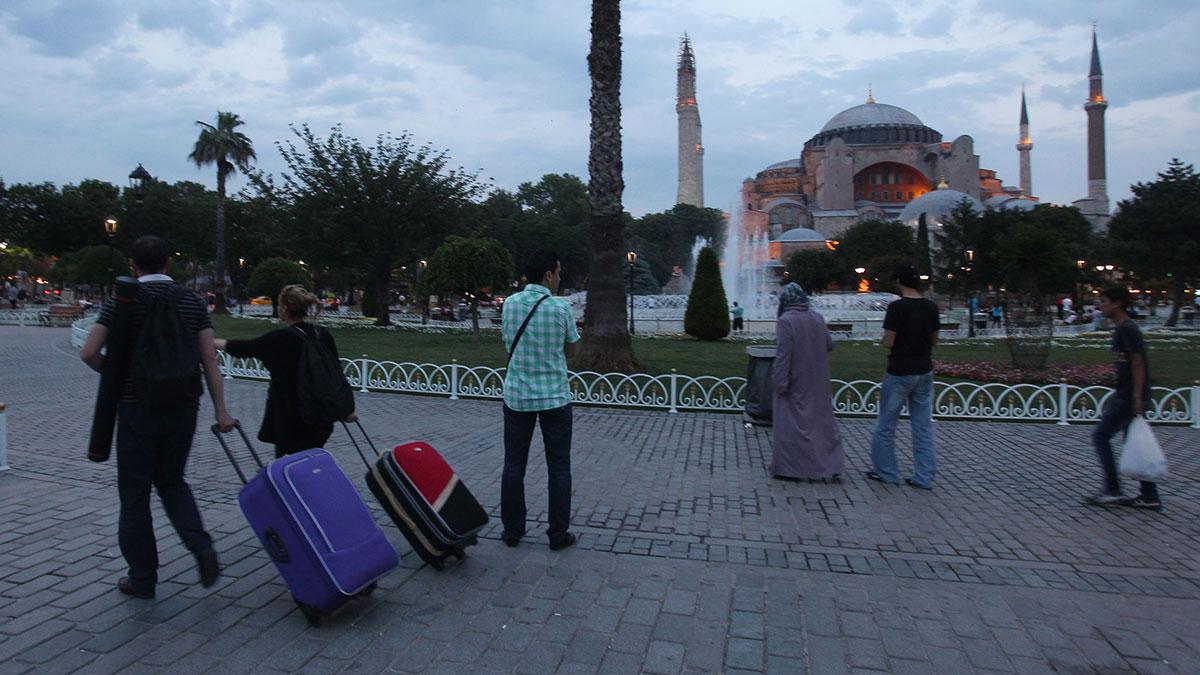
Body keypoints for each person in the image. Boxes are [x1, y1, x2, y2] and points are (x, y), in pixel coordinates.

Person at [80, 235, 235, 599]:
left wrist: (117, 375)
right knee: (172, 481)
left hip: (136, 407)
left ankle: (142, 577)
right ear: (169, 263)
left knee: (135, 495)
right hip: (183, 405)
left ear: (133, 266)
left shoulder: (123, 301)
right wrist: (222, 410)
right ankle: (200, 545)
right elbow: (209, 359)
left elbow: (88, 352)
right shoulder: (192, 302)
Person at [214, 285, 354, 459]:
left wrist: (211, 342)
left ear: (285, 309)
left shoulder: (278, 339)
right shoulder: (322, 334)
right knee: (311, 459)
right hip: (320, 414)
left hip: (289, 417)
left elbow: (243, 348)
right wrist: (346, 408)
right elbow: (335, 373)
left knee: (289, 464)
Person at [499, 251, 580, 551]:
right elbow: (572, 350)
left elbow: (508, 344)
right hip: (554, 398)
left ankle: (512, 530)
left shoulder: (510, 304)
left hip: (518, 396)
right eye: (558, 272)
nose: (559, 278)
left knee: (513, 464)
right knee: (559, 467)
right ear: (548, 274)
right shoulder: (560, 308)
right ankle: (558, 534)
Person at [867, 262, 941, 489]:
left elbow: (889, 341)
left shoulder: (897, 308)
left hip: (900, 370)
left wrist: (886, 342)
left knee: (886, 424)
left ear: (898, 281)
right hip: (924, 369)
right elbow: (934, 340)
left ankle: (887, 472)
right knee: (922, 426)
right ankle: (924, 477)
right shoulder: (930, 307)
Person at [1086, 286, 1161, 510]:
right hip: (1128, 394)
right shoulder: (1122, 329)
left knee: (1101, 435)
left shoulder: (1127, 329)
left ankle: (1113, 489)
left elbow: (1137, 362)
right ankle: (1149, 495)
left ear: (1117, 303)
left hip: (1130, 396)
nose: (1101, 306)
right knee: (1133, 441)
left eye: (1104, 301)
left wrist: (1137, 396)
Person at [771, 283, 845, 481]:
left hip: (796, 381)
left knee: (795, 426)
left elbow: (783, 356)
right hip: (819, 379)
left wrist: (780, 382)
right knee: (822, 424)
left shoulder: (786, 321)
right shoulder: (817, 318)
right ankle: (831, 464)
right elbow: (829, 345)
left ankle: (792, 467)